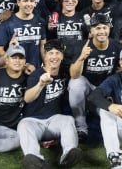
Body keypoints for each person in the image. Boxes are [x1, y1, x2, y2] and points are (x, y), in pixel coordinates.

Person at [18, 40, 83, 169]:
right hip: (34, 122)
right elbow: (27, 98)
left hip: (55, 121)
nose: (54, 56)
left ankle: (68, 155)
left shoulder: (64, 72)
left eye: (57, 53)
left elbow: (76, 74)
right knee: (23, 124)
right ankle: (35, 160)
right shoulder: (36, 75)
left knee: (68, 120)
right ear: (45, 56)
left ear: (62, 56)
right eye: (50, 53)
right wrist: (40, 84)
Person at [68, 14, 122, 139]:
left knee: (110, 117)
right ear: (91, 31)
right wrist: (82, 57)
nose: (102, 31)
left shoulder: (116, 46)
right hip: (87, 91)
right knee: (76, 83)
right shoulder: (83, 45)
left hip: (105, 92)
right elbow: (74, 75)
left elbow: (120, 72)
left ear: (109, 29)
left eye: (104, 27)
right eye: (97, 28)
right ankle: (81, 127)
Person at [0, 0, 46, 73]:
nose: (29, 4)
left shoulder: (40, 21)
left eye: (31, 1)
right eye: (25, 1)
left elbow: (43, 45)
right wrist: (16, 63)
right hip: (14, 70)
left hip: (35, 70)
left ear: (35, 3)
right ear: (18, 2)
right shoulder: (7, 23)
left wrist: (46, 66)